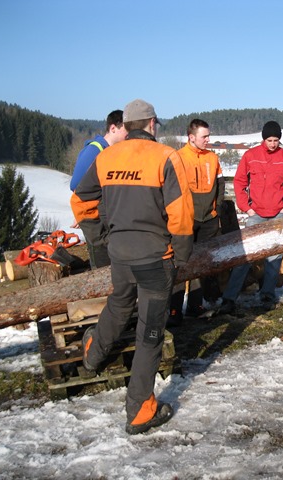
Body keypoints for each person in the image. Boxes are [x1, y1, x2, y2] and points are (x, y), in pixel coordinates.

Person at [71, 99, 194, 435]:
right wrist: (182, 255)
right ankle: (140, 410)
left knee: (120, 302)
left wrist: (99, 237)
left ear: (126, 126)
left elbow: (80, 200)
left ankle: (93, 354)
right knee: (150, 333)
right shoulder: (166, 157)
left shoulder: (107, 157)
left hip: (120, 255)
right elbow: (181, 212)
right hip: (155, 259)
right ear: (152, 124)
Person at [217, 121, 283, 314]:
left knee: (274, 257)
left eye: (276, 140)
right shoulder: (251, 156)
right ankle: (229, 299)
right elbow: (239, 182)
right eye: (269, 140)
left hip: (278, 214)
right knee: (245, 256)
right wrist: (247, 208)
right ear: (264, 139)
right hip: (255, 215)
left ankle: (267, 296)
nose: (273, 144)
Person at [169, 119, 225, 324]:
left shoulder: (213, 158)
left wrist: (217, 210)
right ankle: (174, 309)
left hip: (208, 220)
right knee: (180, 262)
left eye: (209, 136)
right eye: (204, 136)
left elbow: (220, 186)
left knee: (201, 263)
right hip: (185, 220)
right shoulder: (178, 157)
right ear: (191, 137)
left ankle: (196, 305)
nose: (208, 139)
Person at [70, 110, 128, 268]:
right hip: (97, 226)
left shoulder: (111, 152)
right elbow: (76, 185)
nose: (128, 135)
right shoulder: (94, 151)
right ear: (113, 128)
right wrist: (83, 213)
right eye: (126, 130)